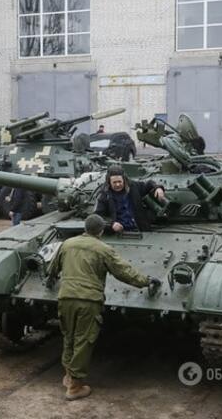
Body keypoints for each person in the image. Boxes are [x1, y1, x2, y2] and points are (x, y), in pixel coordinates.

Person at [47, 214, 161, 401]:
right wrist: (145, 281)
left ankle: (68, 376)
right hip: (88, 300)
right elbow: (124, 272)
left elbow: (52, 268)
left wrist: (51, 278)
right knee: (83, 341)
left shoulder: (67, 244)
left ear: (85, 227)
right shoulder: (103, 249)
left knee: (69, 337)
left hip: (65, 297)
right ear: (101, 231)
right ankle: (75, 387)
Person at [94, 165, 165, 233]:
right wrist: (111, 224)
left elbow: (149, 184)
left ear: (124, 180)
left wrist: (157, 188)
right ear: (109, 182)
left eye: (119, 181)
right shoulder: (104, 195)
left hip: (140, 229)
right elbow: (98, 216)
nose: (118, 185)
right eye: (114, 182)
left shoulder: (133, 187)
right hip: (119, 232)